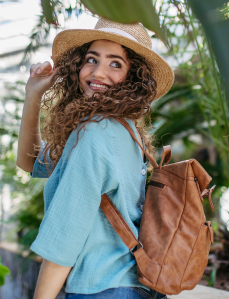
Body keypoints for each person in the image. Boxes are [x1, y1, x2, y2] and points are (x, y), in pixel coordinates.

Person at [16, 18, 174, 299]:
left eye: (116, 63)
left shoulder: (96, 132)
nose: (98, 72)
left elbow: (65, 234)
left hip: (103, 288)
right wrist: (33, 95)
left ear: (133, 77)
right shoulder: (122, 129)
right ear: (78, 66)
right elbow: (30, 162)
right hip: (131, 286)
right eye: (92, 59)